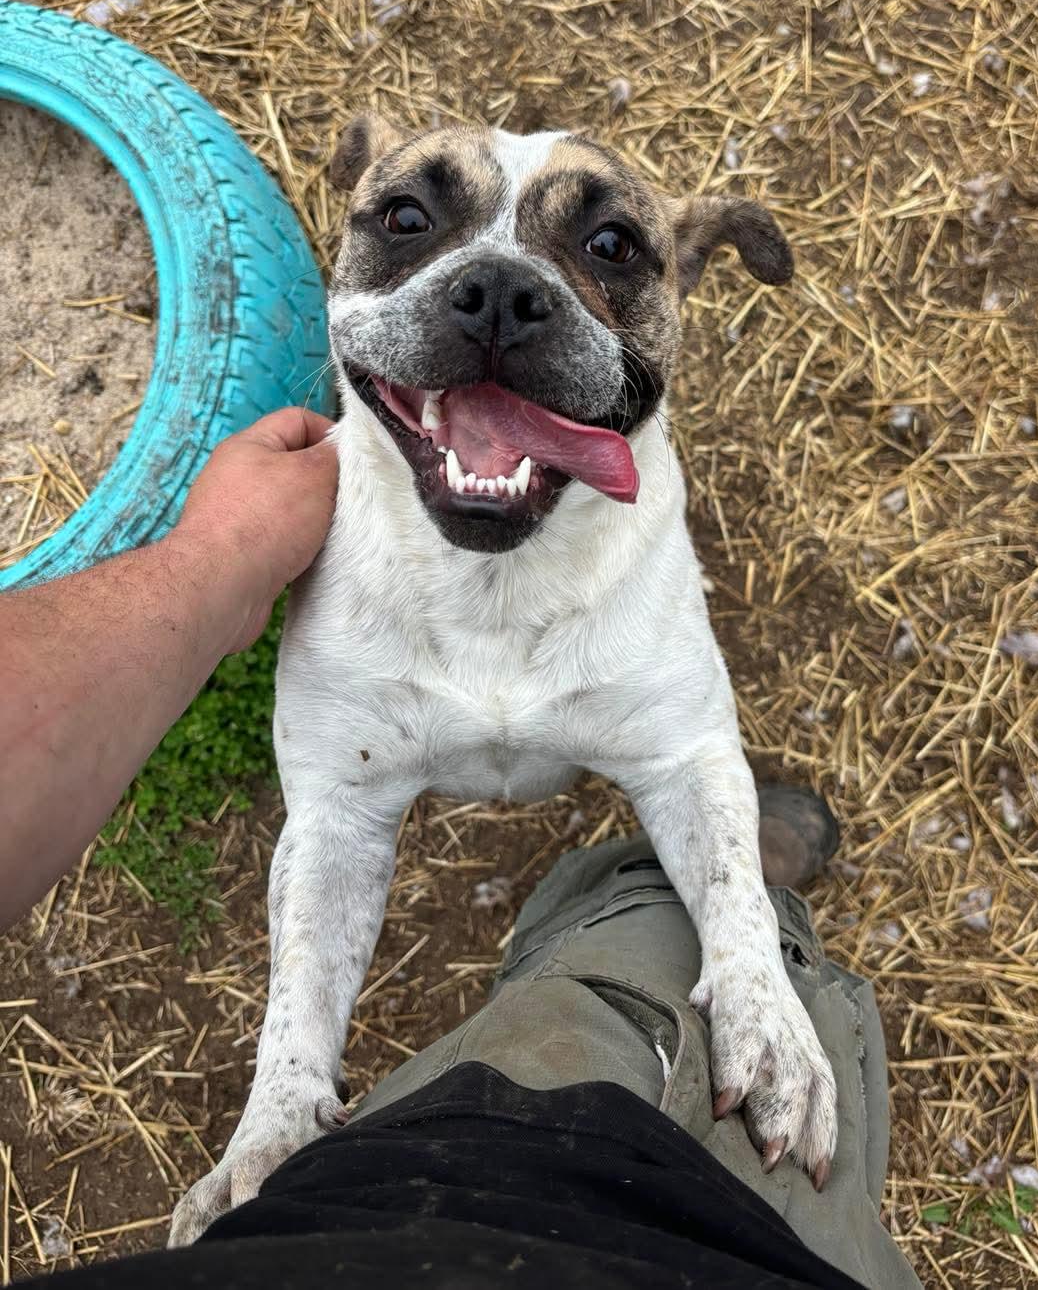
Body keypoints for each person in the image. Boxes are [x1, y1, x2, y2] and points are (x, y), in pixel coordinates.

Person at [2, 412, 922, 1290]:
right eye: (411, 235)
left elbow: (686, 761)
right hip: (687, 1235)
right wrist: (288, 1089)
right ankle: (686, 900)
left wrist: (220, 555)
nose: (496, 315)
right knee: (646, 999)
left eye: (605, 256)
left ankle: (717, 907)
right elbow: (337, 818)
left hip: (317, 1229)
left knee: (687, 812)